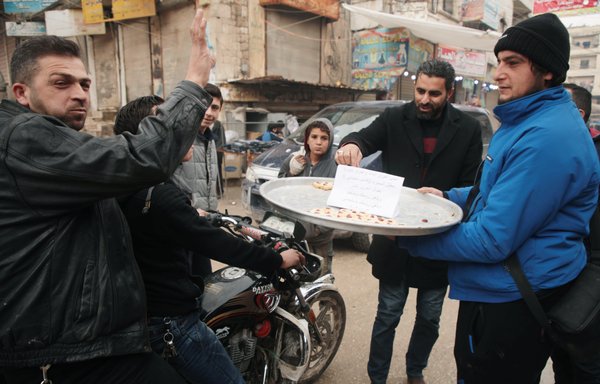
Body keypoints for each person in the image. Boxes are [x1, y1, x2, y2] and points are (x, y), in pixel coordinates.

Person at [0, 10, 215, 384]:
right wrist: (194, 81)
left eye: (84, 84)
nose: (80, 94)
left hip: (75, 342)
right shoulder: (26, 138)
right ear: (22, 92)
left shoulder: (51, 144)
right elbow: (140, 156)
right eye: (61, 83)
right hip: (63, 352)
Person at [390, 14, 600, 383]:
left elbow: (491, 239)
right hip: (502, 287)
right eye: (499, 61)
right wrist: (445, 196)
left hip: (515, 296)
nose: (498, 73)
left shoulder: (547, 137)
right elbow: (492, 191)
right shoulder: (526, 118)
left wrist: (409, 236)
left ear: (547, 70)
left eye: (513, 63)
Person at [114, 97, 305, 384]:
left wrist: (191, 214)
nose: (184, 128)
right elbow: (218, 244)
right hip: (172, 323)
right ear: (149, 136)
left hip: (139, 312)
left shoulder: (128, 183)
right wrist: (277, 259)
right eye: (169, 123)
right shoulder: (162, 196)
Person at [336, 59, 483, 384]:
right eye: (420, 90)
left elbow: (472, 188)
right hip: (395, 240)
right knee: (387, 315)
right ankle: (377, 377)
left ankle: (415, 370)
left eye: (433, 93)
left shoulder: (468, 129)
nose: (424, 99)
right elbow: (365, 136)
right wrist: (351, 145)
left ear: (449, 92)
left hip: (438, 241)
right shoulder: (394, 117)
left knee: (429, 318)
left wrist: (444, 197)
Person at [553, 83, 600, 383]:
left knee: (586, 360)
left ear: (578, 114)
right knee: (561, 357)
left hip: (590, 272)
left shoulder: (591, 154)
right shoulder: (553, 151)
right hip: (562, 272)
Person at [278, 118, 338, 274]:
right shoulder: (294, 161)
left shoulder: (336, 166)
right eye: (314, 137)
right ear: (307, 139)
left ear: (330, 140)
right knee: (294, 280)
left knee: (322, 279)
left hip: (321, 240)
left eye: (324, 138)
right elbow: (279, 192)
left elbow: (339, 202)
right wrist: (291, 173)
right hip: (294, 236)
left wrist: (319, 228)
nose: (319, 142)